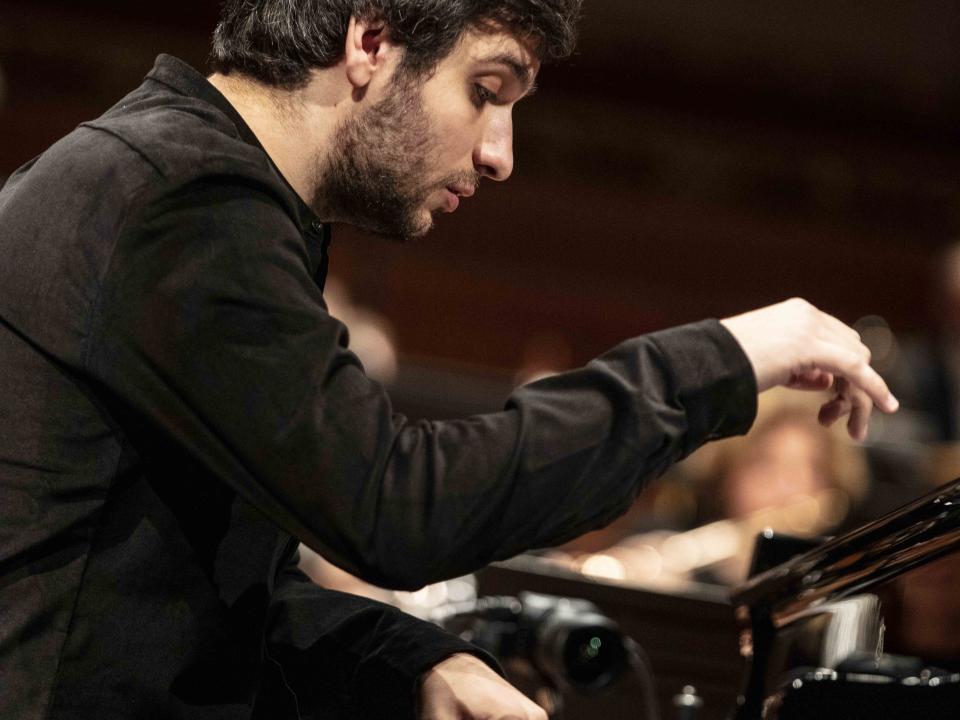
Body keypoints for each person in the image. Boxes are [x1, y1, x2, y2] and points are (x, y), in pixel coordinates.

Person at [0, 1, 898, 718]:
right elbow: (396, 505)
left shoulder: (176, 183)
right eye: (486, 89)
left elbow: (214, 587)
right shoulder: (186, 202)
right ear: (371, 41)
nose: (500, 154)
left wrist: (416, 663)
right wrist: (719, 362)